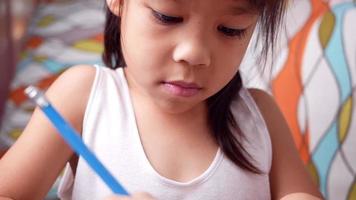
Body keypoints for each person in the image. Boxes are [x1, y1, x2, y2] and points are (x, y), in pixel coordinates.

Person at [0, 0, 323, 199]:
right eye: (168, 17)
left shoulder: (258, 116)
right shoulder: (85, 96)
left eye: (229, 29)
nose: (194, 53)